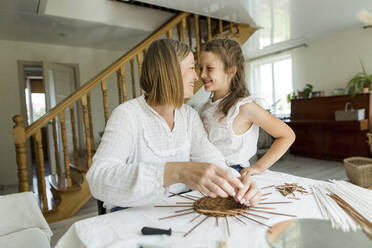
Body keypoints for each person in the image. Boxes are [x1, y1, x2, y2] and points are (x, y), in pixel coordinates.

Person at [86, 39, 261, 210]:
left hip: (180, 208)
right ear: (169, 71)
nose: (197, 76)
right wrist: (176, 171)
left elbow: (214, 161)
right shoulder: (127, 115)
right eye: (192, 68)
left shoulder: (188, 116)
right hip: (135, 214)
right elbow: (98, 179)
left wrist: (239, 184)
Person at [199, 38, 296, 205]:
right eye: (200, 68)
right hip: (206, 173)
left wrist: (258, 167)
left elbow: (287, 135)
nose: (202, 74)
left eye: (209, 68)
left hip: (233, 176)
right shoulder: (204, 108)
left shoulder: (244, 107)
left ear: (231, 71)